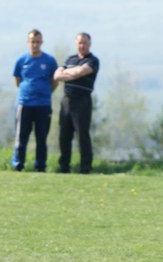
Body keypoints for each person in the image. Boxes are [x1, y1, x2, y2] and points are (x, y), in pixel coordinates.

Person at [11, 29, 59, 172]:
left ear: (42, 42)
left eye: (38, 42)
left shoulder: (50, 61)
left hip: (43, 105)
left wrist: (45, 92)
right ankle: (18, 165)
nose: (35, 45)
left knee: (41, 138)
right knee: (21, 138)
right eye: (33, 42)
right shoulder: (21, 61)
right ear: (28, 42)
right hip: (25, 104)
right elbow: (17, 80)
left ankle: (40, 166)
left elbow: (54, 81)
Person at [53, 32, 100, 174]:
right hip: (67, 100)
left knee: (82, 135)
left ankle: (85, 167)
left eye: (85, 43)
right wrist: (72, 73)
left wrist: (67, 73)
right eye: (80, 43)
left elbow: (81, 71)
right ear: (76, 44)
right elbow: (57, 75)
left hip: (82, 100)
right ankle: (64, 167)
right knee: (64, 136)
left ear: (89, 44)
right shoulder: (70, 59)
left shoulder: (93, 60)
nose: (82, 45)